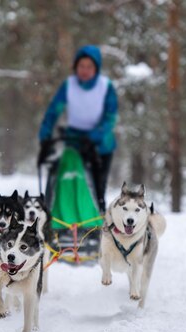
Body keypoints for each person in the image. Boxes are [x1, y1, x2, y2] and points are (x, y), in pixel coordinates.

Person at [38, 44, 118, 211]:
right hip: (74, 141)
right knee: (65, 178)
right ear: (76, 67)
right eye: (81, 66)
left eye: (89, 66)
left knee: (97, 185)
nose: (85, 70)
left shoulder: (105, 86)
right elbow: (53, 111)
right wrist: (45, 135)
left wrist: (95, 136)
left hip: (100, 145)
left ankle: (98, 217)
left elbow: (110, 117)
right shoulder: (69, 85)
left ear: (96, 68)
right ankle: (54, 215)